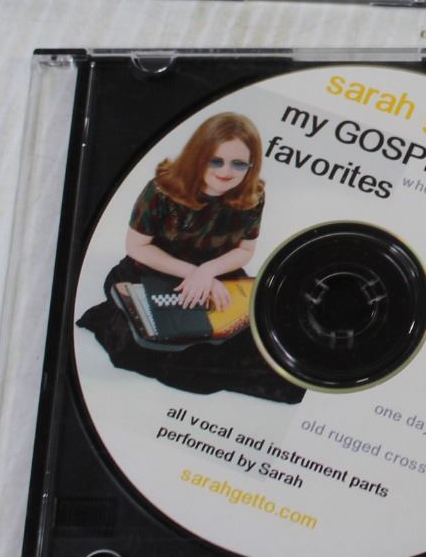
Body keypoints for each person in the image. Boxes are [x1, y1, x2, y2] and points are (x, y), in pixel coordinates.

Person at [76, 112, 302, 403]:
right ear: (199, 155)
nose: (226, 171)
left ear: (251, 165)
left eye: (238, 164)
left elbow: (245, 250)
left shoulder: (253, 195)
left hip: (218, 275)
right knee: (141, 346)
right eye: (216, 161)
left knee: (257, 346)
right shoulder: (161, 190)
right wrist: (192, 273)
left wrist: (207, 272)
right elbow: (138, 247)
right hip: (155, 269)